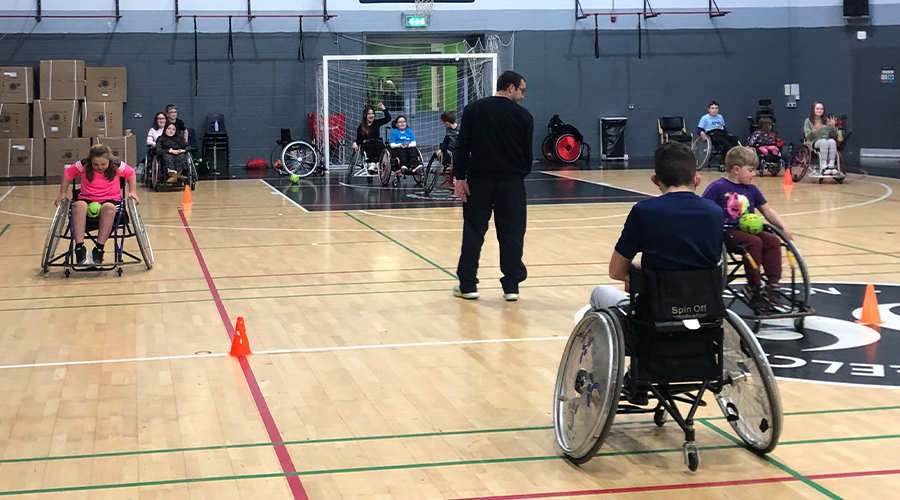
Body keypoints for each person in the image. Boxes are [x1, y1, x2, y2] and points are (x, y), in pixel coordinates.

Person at [588, 141, 724, 313]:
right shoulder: (716, 212)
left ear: (655, 180)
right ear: (696, 180)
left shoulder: (643, 212)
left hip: (656, 312)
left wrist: (642, 271)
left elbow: (616, 271)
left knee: (599, 293)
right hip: (706, 309)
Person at [452, 70, 533, 302]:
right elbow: (528, 155)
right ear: (510, 87)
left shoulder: (474, 109)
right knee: (512, 234)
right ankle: (511, 287)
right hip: (512, 183)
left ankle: (467, 285)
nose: (523, 96)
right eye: (522, 90)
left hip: (479, 182)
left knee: (474, 233)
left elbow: (462, 146)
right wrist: (519, 175)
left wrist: (460, 177)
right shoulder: (524, 117)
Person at [702, 146, 793, 312]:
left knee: (772, 240)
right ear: (736, 169)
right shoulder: (718, 188)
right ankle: (753, 286)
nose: (754, 174)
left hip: (749, 229)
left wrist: (783, 227)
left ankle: (773, 285)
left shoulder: (752, 189)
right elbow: (703, 210)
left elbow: (766, 210)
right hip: (727, 232)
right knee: (754, 242)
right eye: (751, 170)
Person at [54, 144, 138, 266]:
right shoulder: (83, 165)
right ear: (90, 161)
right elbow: (67, 173)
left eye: (103, 164)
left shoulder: (117, 166)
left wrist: (132, 191)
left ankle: (99, 249)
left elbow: (131, 174)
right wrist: (62, 193)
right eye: (96, 164)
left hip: (110, 200)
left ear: (109, 160)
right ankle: (79, 248)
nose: (99, 167)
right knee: (78, 206)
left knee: (109, 209)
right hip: (87, 199)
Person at [352, 102, 391, 173]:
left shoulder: (376, 123)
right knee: (369, 147)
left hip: (377, 142)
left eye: (372, 114)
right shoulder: (361, 127)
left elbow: (388, 118)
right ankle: (372, 163)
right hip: (367, 144)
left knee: (380, 146)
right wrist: (355, 143)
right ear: (365, 115)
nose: (371, 115)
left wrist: (383, 108)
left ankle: (378, 163)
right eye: (369, 114)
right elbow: (359, 139)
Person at [803, 101, 839, 174]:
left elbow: (834, 134)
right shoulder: (808, 121)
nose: (820, 111)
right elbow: (808, 136)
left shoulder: (826, 120)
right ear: (813, 110)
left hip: (825, 140)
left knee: (832, 141)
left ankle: (831, 165)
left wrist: (833, 127)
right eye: (817, 109)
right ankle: (823, 166)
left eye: (821, 109)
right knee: (823, 142)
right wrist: (816, 129)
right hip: (812, 141)